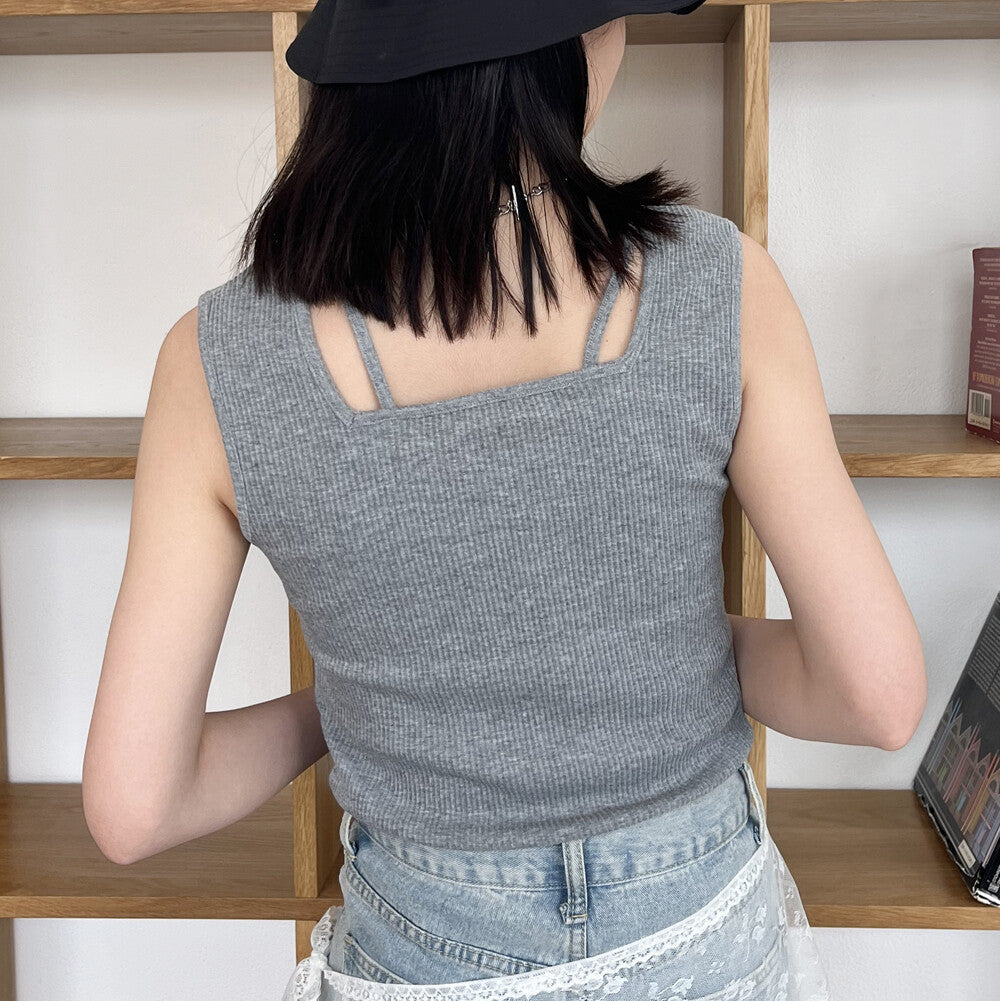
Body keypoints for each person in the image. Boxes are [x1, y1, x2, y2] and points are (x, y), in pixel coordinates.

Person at [83, 4, 926, 1000]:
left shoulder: (216, 360)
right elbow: (875, 695)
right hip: (697, 931)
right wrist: (677, 651)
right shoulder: (719, 283)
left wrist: (347, 710)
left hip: (423, 942)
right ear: (557, 54)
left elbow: (137, 807)